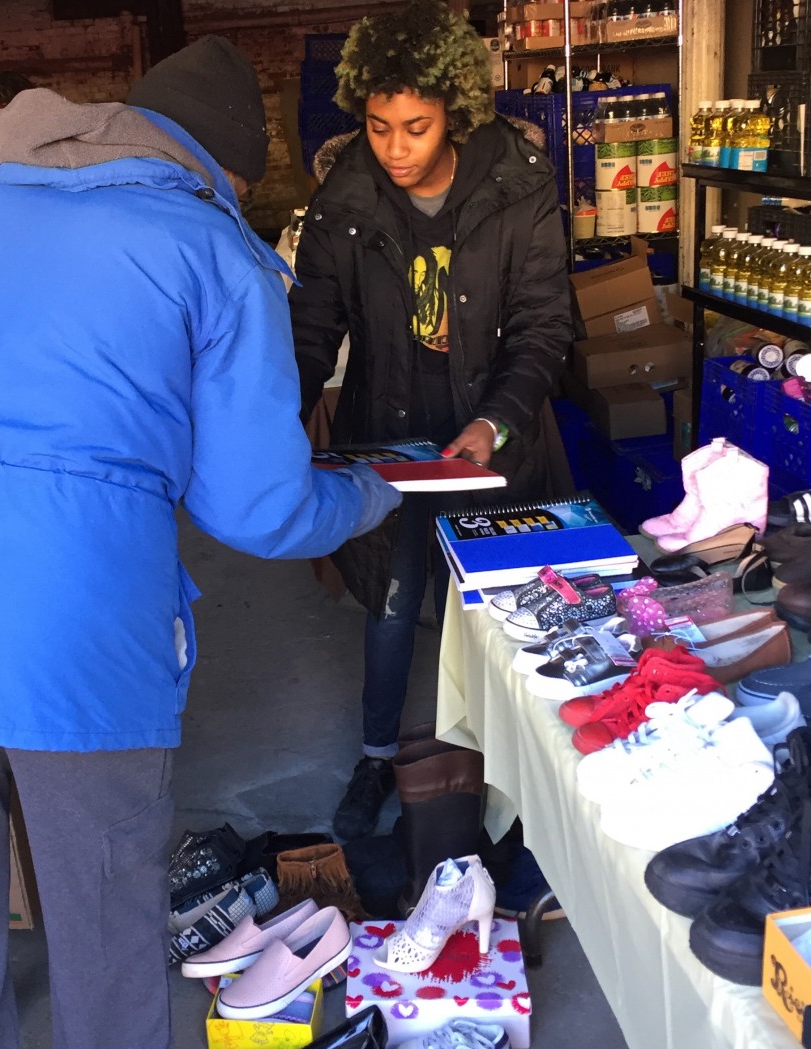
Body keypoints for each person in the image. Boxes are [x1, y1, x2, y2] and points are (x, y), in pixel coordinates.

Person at [0, 35, 398, 1049]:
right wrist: (373, 487)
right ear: (224, 169)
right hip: (74, 612)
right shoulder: (210, 248)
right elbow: (263, 509)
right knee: (103, 882)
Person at [289, 1, 574, 841]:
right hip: (392, 436)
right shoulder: (345, 194)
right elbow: (314, 324)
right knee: (393, 598)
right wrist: (275, 414)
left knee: (506, 612)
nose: (396, 149)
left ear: (455, 108)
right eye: (378, 127)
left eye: (415, 126)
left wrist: (498, 421)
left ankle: (525, 778)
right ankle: (379, 756)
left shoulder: (517, 185)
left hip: (492, 440)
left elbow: (544, 325)